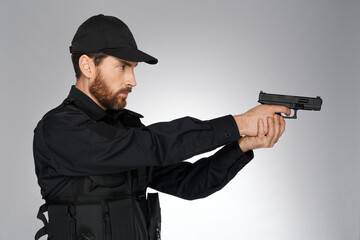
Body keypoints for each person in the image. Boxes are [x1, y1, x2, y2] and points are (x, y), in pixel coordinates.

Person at [33, 14, 290, 240]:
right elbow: (152, 145)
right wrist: (239, 122)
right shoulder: (59, 128)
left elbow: (190, 183)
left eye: (133, 69)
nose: (132, 80)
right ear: (87, 66)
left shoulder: (125, 127)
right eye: (122, 66)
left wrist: (243, 144)